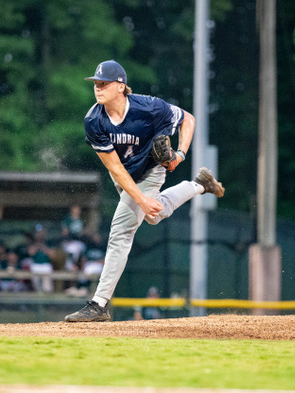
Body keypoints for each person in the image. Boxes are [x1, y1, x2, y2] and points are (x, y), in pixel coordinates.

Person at [65, 60, 225, 322]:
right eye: (96, 83)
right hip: (124, 175)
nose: (98, 88)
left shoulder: (150, 107)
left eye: (104, 83)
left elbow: (188, 119)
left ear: (121, 86)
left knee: (121, 231)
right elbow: (115, 169)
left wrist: (181, 155)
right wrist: (140, 199)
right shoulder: (94, 120)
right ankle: (199, 185)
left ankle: (99, 304)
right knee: (153, 214)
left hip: (151, 170)